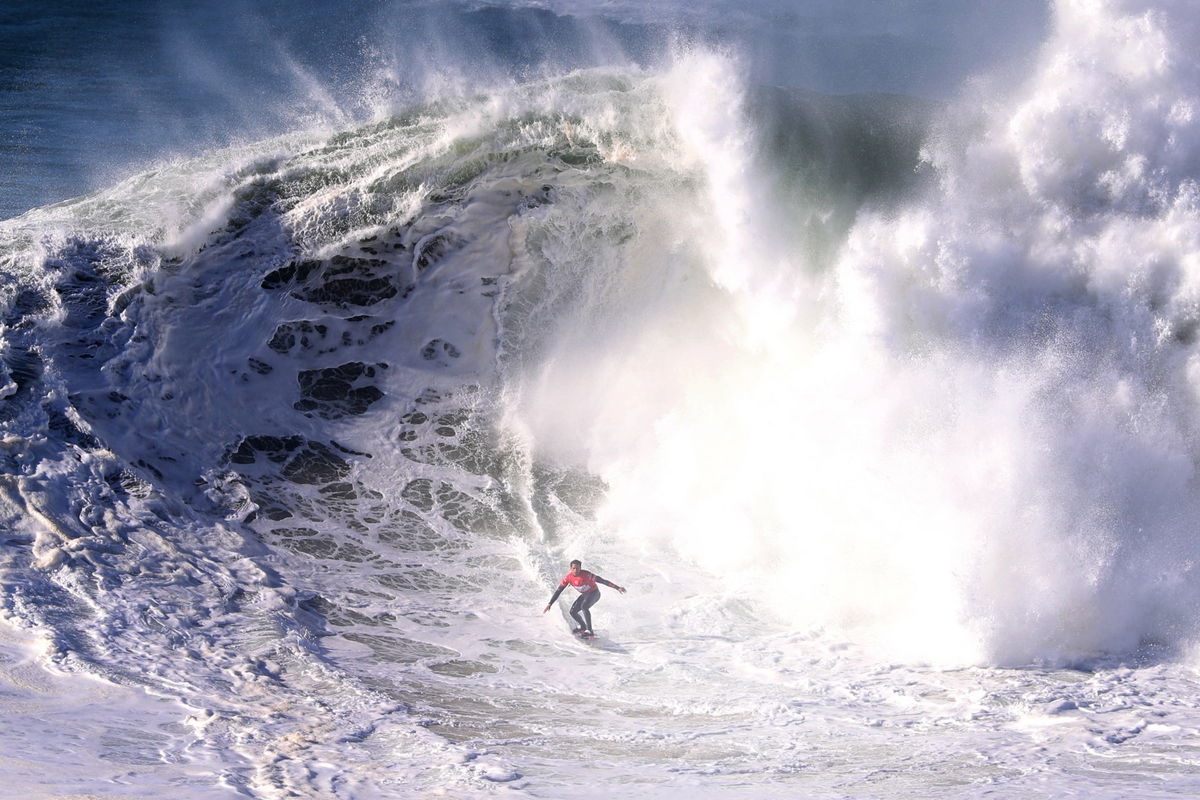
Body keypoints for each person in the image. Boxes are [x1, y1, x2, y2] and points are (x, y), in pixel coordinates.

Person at [543, 559, 626, 636]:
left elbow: (602, 581)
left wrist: (617, 587)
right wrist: (550, 603)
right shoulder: (568, 578)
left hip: (594, 593)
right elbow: (558, 591)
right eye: (574, 568)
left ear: (580, 568)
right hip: (585, 594)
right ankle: (583, 627)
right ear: (571, 568)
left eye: (578, 568)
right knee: (573, 612)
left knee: (584, 607)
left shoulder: (587, 575)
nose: (576, 570)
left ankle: (590, 630)